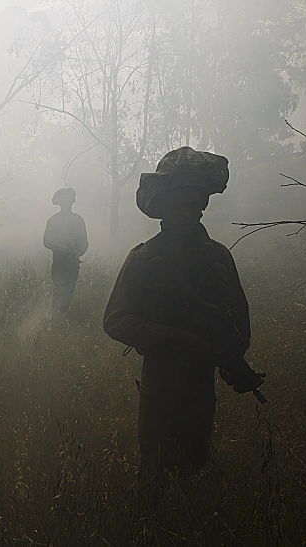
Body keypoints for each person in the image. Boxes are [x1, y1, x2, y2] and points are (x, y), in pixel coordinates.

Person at [102, 147, 251, 486]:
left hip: (201, 384)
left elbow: (239, 323)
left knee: (196, 467)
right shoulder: (143, 258)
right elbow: (115, 320)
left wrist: (231, 358)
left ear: (202, 204)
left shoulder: (218, 258)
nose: (186, 209)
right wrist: (175, 338)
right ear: (162, 207)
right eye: (176, 201)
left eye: (192, 200)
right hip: (160, 382)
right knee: (153, 472)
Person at [43, 188, 88, 316]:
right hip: (59, 263)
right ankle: (56, 319)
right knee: (59, 291)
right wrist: (60, 247)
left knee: (68, 292)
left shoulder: (78, 220)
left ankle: (62, 318)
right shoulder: (53, 221)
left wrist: (76, 253)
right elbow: (46, 241)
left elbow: (84, 242)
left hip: (73, 263)